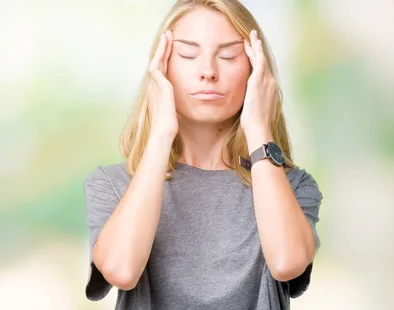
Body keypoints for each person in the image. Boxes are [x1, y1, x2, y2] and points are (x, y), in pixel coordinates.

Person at [83, 0, 322, 309]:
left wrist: (259, 130)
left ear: (255, 71)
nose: (208, 71)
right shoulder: (112, 185)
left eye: (228, 55)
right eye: (188, 55)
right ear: (162, 66)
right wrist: (160, 134)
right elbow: (121, 271)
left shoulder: (291, 186)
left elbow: (287, 263)